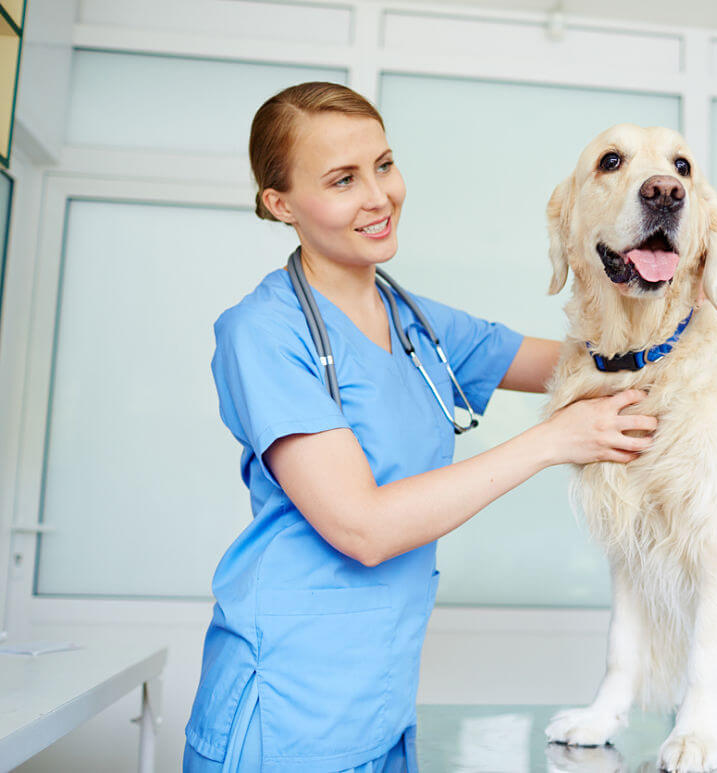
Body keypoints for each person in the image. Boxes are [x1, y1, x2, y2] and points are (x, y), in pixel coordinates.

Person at [183, 81, 656, 772]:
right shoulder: (263, 333)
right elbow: (362, 528)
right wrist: (554, 440)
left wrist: (675, 305)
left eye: (383, 164)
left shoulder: (418, 325)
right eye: (343, 179)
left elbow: (588, 365)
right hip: (284, 714)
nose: (378, 195)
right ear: (279, 203)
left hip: (381, 710)